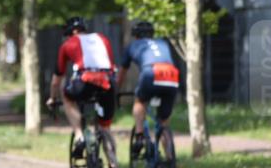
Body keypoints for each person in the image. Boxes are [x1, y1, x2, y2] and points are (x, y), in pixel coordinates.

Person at [45, 17, 116, 158]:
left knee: (66, 95)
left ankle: (79, 135)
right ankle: (113, 166)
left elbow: (56, 80)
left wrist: (52, 98)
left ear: (74, 31)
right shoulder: (102, 38)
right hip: (108, 82)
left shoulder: (67, 44)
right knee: (106, 128)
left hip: (85, 82)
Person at [116, 20, 181, 155]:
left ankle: (139, 137)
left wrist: (116, 89)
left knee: (139, 102)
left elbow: (122, 73)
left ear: (136, 35)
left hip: (151, 72)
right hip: (172, 74)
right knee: (164, 123)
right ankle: (170, 162)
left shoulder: (133, 45)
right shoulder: (162, 43)